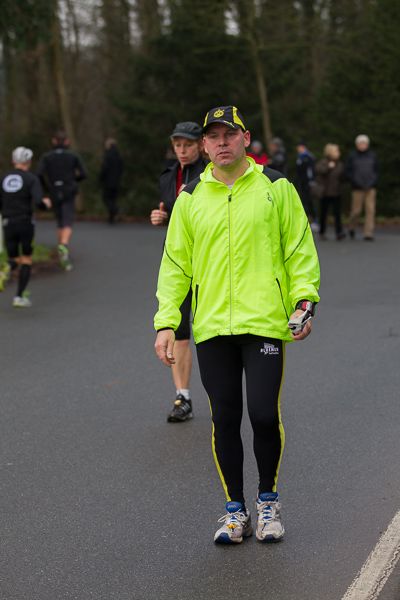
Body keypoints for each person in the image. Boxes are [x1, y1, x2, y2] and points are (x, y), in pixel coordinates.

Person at [154, 106, 320, 544]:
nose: (221, 143)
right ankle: (235, 511)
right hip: (212, 327)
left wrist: (304, 301)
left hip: (264, 321)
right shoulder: (190, 197)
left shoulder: (276, 187)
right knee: (224, 419)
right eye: (213, 137)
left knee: (263, 415)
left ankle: (268, 502)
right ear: (204, 146)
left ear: (246, 139)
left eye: (229, 135)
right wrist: (167, 322)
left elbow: (298, 248)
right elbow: (175, 265)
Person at [151, 121, 208, 423]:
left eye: (188, 145)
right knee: (180, 329)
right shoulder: (168, 176)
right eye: (177, 145)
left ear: (200, 145)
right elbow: (174, 216)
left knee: (213, 330)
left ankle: (224, 394)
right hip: (179, 261)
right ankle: (182, 396)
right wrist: (162, 217)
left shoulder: (211, 175)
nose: (182, 151)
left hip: (211, 260)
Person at [0, 147, 51, 307]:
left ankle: (5, 269)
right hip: (25, 222)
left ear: (13, 161)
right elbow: (38, 201)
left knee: (13, 258)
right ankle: (19, 297)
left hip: (8, 222)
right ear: (28, 161)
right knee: (26, 259)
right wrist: (46, 204)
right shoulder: (31, 179)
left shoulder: (3, 178)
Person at [37, 130, 87, 270]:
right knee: (67, 221)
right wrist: (73, 181)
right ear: (67, 142)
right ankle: (64, 245)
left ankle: (61, 251)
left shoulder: (47, 157)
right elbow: (84, 174)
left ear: (53, 141)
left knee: (60, 222)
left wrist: (47, 187)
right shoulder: (73, 156)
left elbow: (39, 174)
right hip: (68, 190)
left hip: (54, 190)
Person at [345, 134, 378, 241]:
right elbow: (348, 172)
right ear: (357, 144)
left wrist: (373, 182)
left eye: (364, 143)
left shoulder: (372, 156)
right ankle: (352, 227)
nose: (362, 145)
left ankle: (368, 233)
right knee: (356, 211)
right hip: (357, 188)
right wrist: (355, 182)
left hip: (370, 187)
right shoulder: (352, 156)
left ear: (367, 144)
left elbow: (376, 171)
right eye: (360, 143)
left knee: (370, 210)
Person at [315, 144, 345, 240]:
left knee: (337, 213)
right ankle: (322, 232)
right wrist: (328, 167)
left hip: (336, 192)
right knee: (323, 213)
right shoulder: (323, 162)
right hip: (325, 192)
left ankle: (339, 232)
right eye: (336, 151)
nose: (338, 153)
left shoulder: (339, 164)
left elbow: (342, 176)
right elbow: (319, 171)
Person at [99, 138, 124, 224]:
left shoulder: (107, 156)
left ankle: (115, 210)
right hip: (117, 181)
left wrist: (101, 178)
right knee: (113, 199)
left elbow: (104, 168)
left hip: (108, 181)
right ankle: (111, 217)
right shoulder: (118, 155)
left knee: (106, 198)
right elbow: (121, 168)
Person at [295, 141, 318, 231]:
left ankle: (314, 220)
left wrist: (311, 181)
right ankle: (305, 221)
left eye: (299, 147)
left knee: (310, 202)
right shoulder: (300, 157)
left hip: (308, 183)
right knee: (303, 201)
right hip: (302, 183)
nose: (298, 149)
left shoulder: (308, 157)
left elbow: (311, 170)